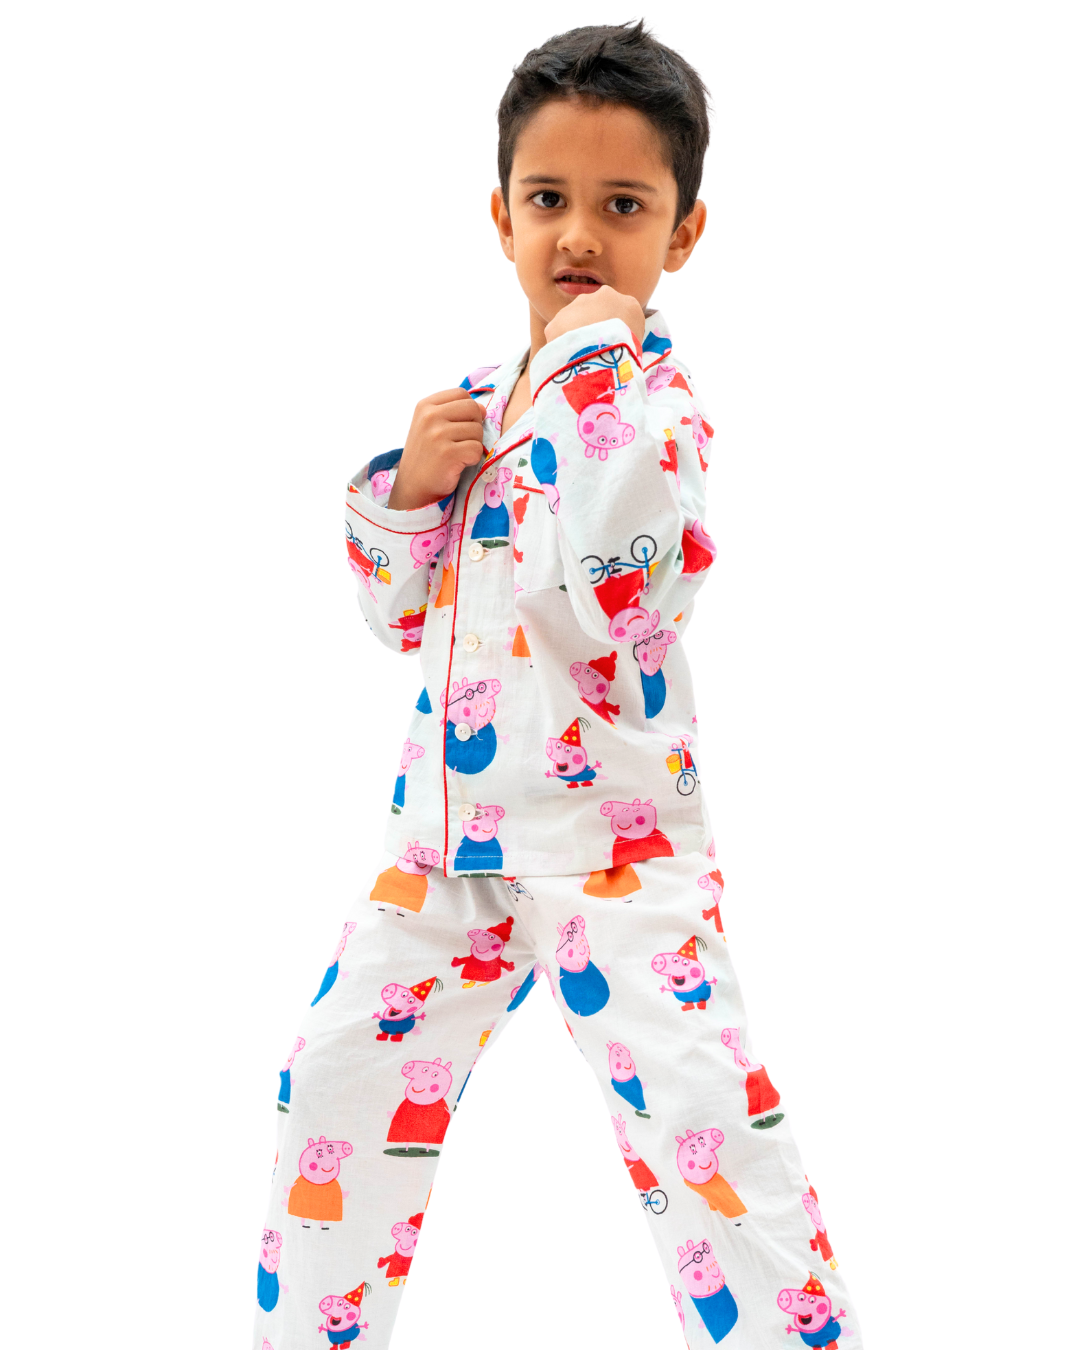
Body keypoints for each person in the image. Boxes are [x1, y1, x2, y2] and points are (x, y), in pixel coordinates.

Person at [252, 22, 862, 1349]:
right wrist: (410, 492)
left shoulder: (656, 407)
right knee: (332, 1088)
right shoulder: (476, 406)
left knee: (704, 1134)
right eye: (549, 200)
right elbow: (394, 614)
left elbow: (622, 595)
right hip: (443, 850)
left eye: (623, 206)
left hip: (615, 854)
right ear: (502, 216)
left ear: (682, 235)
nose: (579, 236)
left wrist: (590, 371)